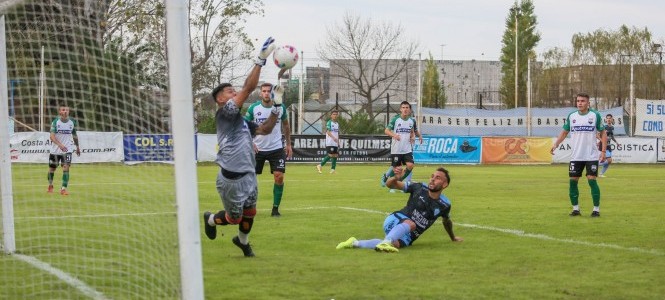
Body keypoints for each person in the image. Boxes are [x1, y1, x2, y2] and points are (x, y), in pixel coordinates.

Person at [202, 37, 281, 257]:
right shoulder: (225, 113)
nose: (234, 93)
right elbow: (248, 88)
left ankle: (242, 242)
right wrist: (260, 60)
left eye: (233, 91)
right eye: (229, 92)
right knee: (233, 218)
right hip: (231, 179)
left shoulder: (241, 121)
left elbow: (264, 130)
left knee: (251, 212)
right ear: (220, 99)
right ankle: (210, 218)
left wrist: (277, 108)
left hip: (248, 175)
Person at [336, 166, 463, 253]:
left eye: (438, 178)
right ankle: (386, 241)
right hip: (396, 220)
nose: (433, 179)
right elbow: (390, 185)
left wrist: (452, 237)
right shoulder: (419, 187)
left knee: (392, 245)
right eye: (432, 176)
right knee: (410, 224)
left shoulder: (445, 204)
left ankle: (355, 243)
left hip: (408, 237)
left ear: (445, 184)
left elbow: (447, 221)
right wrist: (397, 178)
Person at [551, 92, 607, 217]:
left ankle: (596, 210)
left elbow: (603, 133)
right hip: (576, 156)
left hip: (591, 156)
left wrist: (603, 151)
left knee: (592, 181)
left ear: (588, 103)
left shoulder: (595, 115)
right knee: (573, 181)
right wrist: (556, 144)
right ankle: (576, 209)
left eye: (582, 101)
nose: (580, 103)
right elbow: (564, 132)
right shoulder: (572, 116)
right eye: (578, 101)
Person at [244, 82, 293, 217]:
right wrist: (250, 143)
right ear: (260, 93)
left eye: (268, 91)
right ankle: (248, 207)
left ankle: (275, 209)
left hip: (276, 148)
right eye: (264, 91)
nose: (266, 93)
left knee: (279, 177)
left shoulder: (280, 107)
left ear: (273, 93)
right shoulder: (254, 108)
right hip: (257, 149)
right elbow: (245, 127)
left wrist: (288, 144)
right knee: (250, 179)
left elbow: (286, 126)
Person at [380, 101, 422, 187]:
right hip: (397, 148)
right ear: (400, 109)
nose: (405, 109)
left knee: (410, 165)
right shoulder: (396, 119)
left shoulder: (412, 120)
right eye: (403, 108)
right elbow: (386, 131)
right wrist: (394, 135)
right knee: (396, 168)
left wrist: (419, 137)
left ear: (409, 110)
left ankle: (402, 181)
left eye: (407, 108)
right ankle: (386, 177)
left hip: (407, 148)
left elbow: (414, 131)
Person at [47, 105, 81, 196]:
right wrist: (60, 145)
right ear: (60, 112)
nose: (65, 111)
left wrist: (77, 147)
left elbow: (74, 135)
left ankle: (63, 189)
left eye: (67, 110)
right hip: (55, 150)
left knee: (66, 167)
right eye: (63, 110)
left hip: (68, 149)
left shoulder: (72, 122)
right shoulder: (55, 122)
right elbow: (52, 136)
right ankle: (50, 185)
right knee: (52, 169)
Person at [316, 110, 340, 174]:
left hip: (335, 142)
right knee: (331, 155)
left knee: (335, 155)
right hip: (330, 142)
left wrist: (338, 141)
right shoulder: (329, 122)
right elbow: (328, 132)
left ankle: (332, 170)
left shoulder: (337, 124)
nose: (335, 115)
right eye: (334, 114)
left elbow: (337, 133)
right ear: (331, 115)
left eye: (336, 114)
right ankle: (320, 165)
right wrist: (334, 138)